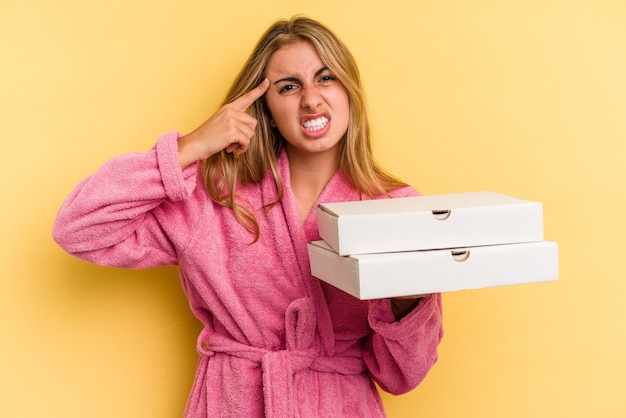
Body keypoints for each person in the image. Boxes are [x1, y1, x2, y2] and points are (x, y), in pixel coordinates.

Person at [53, 15, 443, 418]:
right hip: (234, 401)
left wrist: (407, 300)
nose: (311, 99)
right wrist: (190, 147)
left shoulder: (394, 209)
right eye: (289, 87)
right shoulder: (215, 197)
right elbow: (78, 228)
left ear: (350, 91)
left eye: (326, 78)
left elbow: (402, 376)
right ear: (267, 109)